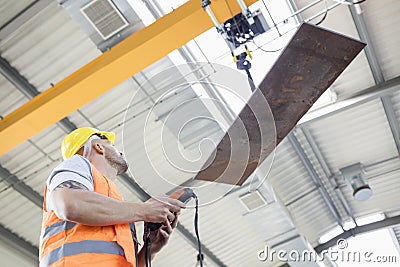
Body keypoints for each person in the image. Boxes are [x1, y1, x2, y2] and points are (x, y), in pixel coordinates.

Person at [39, 127, 185, 267]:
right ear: (98, 147)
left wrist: (149, 249)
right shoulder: (77, 164)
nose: (120, 151)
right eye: (111, 144)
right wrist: (146, 209)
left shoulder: (114, 206)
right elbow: (69, 204)